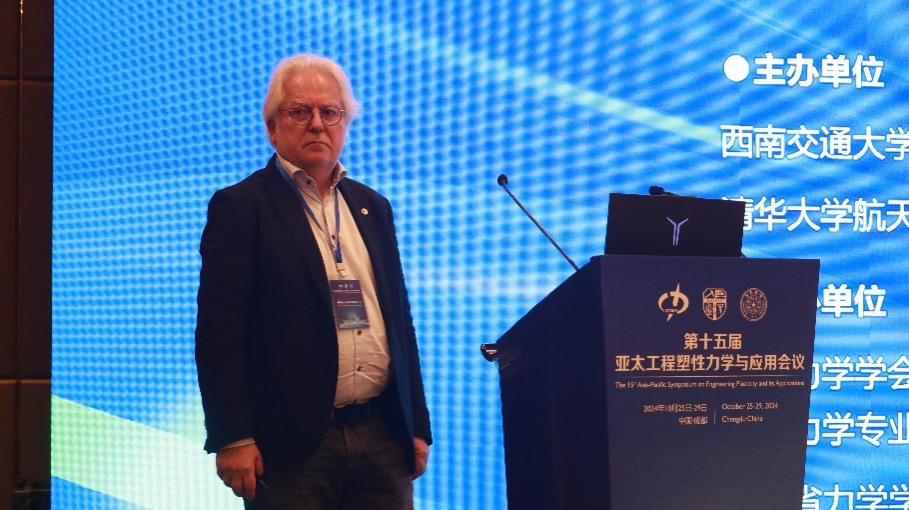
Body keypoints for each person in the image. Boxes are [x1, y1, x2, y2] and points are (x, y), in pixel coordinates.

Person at [195, 53, 431, 509]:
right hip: (291, 446)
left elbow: (400, 323)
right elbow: (219, 334)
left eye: (331, 112)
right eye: (300, 111)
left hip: (382, 435)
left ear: (345, 124)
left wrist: (416, 425)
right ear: (272, 127)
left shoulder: (373, 206)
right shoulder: (241, 207)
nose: (317, 124)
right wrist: (232, 436)